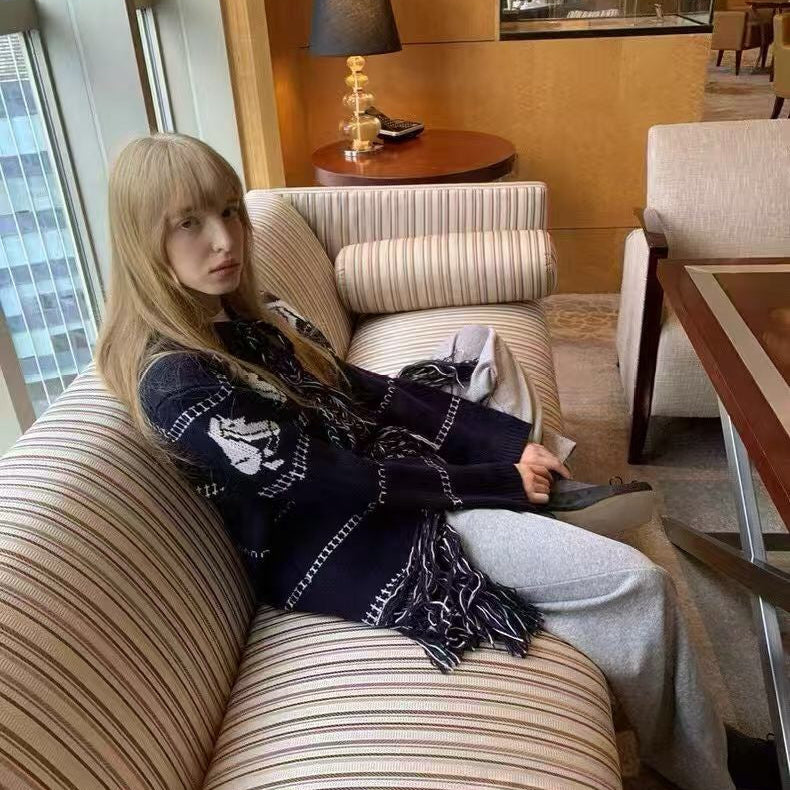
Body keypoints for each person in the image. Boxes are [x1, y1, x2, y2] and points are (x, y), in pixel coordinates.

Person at [95, 133, 778, 790]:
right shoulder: (181, 382)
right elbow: (339, 483)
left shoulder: (248, 315)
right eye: (189, 224)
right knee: (640, 585)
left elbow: (362, 388)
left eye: (229, 212)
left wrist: (507, 447)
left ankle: (553, 493)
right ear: (142, 241)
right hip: (357, 533)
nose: (224, 240)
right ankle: (706, 768)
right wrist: (494, 482)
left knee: (488, 361)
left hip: (382, 467)